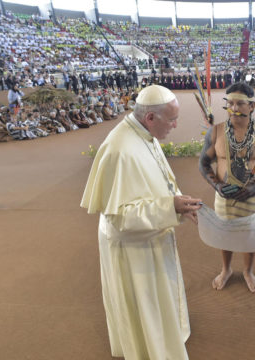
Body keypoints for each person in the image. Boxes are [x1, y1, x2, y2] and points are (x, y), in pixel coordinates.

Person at [80, 85, 202, 360]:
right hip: (134, 248)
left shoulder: (143, 134)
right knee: (146, 304)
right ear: (150, 118)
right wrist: (170, 206)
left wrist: (178, 203)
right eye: (172, 120)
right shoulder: (119, 149)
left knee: (159, 299)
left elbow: (157, 178)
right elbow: (120, 215)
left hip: (152, 235)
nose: (175, 125)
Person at [199, 82, 255, 292]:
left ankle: (248, 271)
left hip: (252, 197)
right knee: (224, 233)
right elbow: (203, 164)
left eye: (240, 104)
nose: (234, 109)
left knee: (250, 234)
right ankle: (226, 269)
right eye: (230, 103)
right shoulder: (216, 132)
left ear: (251, 106)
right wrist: (217, 185)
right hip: (224, 196)